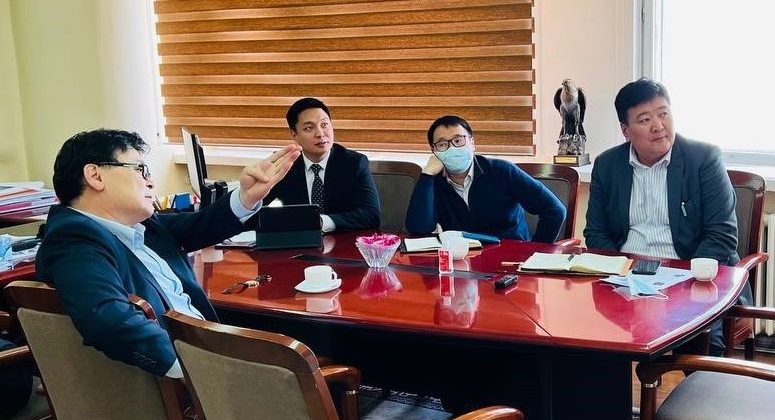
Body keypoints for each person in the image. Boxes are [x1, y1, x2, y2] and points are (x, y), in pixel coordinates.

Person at [36, 129, 301, 377]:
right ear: (95, 176)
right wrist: (199, 372)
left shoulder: (141, 226)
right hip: (193, 375)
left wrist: (246, 197)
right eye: (140, 169)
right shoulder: (74, 239)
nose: (151, 181)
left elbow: (201, 225)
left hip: (213, 350)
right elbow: (110, 320)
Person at [584, 78, 744, 355]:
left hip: (692, 279)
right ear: (625, 130)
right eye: (645, 119)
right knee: (589, 338)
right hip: (626, 278)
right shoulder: (607, 165)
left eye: (663, 113)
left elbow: (722, 236)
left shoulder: (703, 158)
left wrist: (685, 280)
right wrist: (623, 273)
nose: (658, 126)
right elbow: (596, 233)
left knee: (705, 348)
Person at [405, 115, 566, 242]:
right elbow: (419, 228)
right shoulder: (433, 181)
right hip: (462, 262)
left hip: (510, 261)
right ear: (434, 151)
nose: (452, 148)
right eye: (442, 144)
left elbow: (555, 210)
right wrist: (427, 175)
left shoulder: (502, 171)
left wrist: (535, 251)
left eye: (458, 140)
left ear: (472, 143)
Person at [258, 97, 380, 232]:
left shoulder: (354, 163)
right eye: (309, 128)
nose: (320, 134)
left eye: (324, 124)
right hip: (298, 241)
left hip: (342, 240)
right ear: (294, 135)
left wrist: (320, 222)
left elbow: (371, 215)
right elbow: (253, 217)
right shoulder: (285, 165)